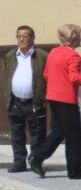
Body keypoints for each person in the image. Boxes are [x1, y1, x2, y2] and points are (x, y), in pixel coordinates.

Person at [28, 24, 81, 179]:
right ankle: (75, 170)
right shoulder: (73, 56)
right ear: (73, 39)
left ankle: (37, 158)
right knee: (74, 135)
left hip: (53, 97)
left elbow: (46, 74)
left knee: (58, 132)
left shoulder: (53, 52)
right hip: (67, 99)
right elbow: (74, 77)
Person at [2, 25, 47, 173]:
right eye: (19, 36)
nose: (21, 39)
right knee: (17, 134)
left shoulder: (41, 55)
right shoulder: (10, 55)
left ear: (33, 38)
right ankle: (19, 162)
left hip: (34, 101)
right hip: (15, 101)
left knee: (37, 134)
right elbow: (6, 76)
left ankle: (35, 161)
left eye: (25, 36)